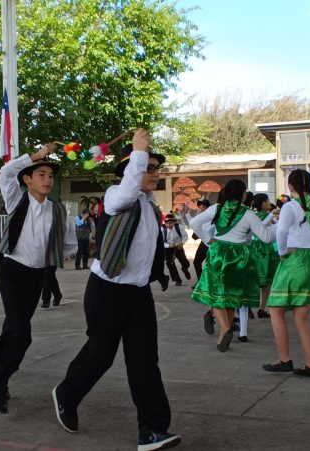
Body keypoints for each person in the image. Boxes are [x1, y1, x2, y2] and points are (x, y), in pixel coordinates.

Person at [52, 129, 180, 451]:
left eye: (155, 168)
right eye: (148, 167)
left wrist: (159, 274)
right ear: (130, 169)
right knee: (101, 355)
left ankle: (152, 430)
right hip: (107, 290)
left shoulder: (150, 208)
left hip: (138, 294)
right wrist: (138, 150)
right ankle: (66, 394)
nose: (154, 173)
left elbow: (148, 248)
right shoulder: (114, 195)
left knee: (144, 361)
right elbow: (126, 192)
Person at [0, 142, 71, 415]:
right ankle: (0, 382)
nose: (47, 180)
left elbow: (65, 244)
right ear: (28, 180)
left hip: (36, 275)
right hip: (12, 271)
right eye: (41, 175)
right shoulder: (16, 199)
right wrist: (38, 155)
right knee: (22, 332)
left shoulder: (57, 209)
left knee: (12, 329)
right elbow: (6, 172)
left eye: (51, 176)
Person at [262, 169, 310, 378]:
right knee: (301, 317)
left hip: (295, 260)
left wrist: (281, 252)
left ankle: (284, 360)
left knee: (276, 309)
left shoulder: (290, 206)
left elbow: (281, 231)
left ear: (291, 186)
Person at [190, 179, 275, 352]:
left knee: (216, 294)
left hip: (219, 252)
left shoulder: (217, 208)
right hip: (240, 255)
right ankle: (223, 335)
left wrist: (208, 240)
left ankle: (226, 330)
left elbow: (194, 223)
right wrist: (280, 229)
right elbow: (266, 238)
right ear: (242, 194)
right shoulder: (248, 213)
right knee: (231, 297)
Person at [249, 193, 279, 318]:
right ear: (263, 203)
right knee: (260, 280)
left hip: (262, 248)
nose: (269, 203)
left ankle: (260, 308)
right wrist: (273, 214)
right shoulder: (256, 215)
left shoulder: (254, 214)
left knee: (264, 281)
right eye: (267, 201)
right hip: (261, 249)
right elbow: (261, 227)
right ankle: (252, 307)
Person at [161, 214, 191, 287]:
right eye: (166, 223)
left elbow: (185, 236)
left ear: (174, 222)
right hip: (168, 248)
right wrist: (168, 245)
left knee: (185, 262)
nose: (168, 224)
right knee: (169, 263)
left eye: (170, 222)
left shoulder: (179, 227)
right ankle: (177, 280)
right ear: (164, 222)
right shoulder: (161, 229)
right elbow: (160, 242)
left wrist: (182, 243)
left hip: (178, 246)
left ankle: (185, 269)